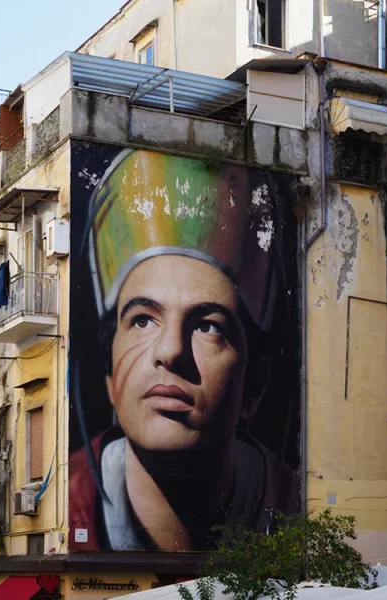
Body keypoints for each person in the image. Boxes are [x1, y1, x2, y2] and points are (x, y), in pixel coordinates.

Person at [69, 149, 298, 552]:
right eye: (143, 320)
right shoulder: (72, 503)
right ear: (108, 375)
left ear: (255, 384)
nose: (171, 351)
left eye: (209, 327)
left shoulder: (293, 504)